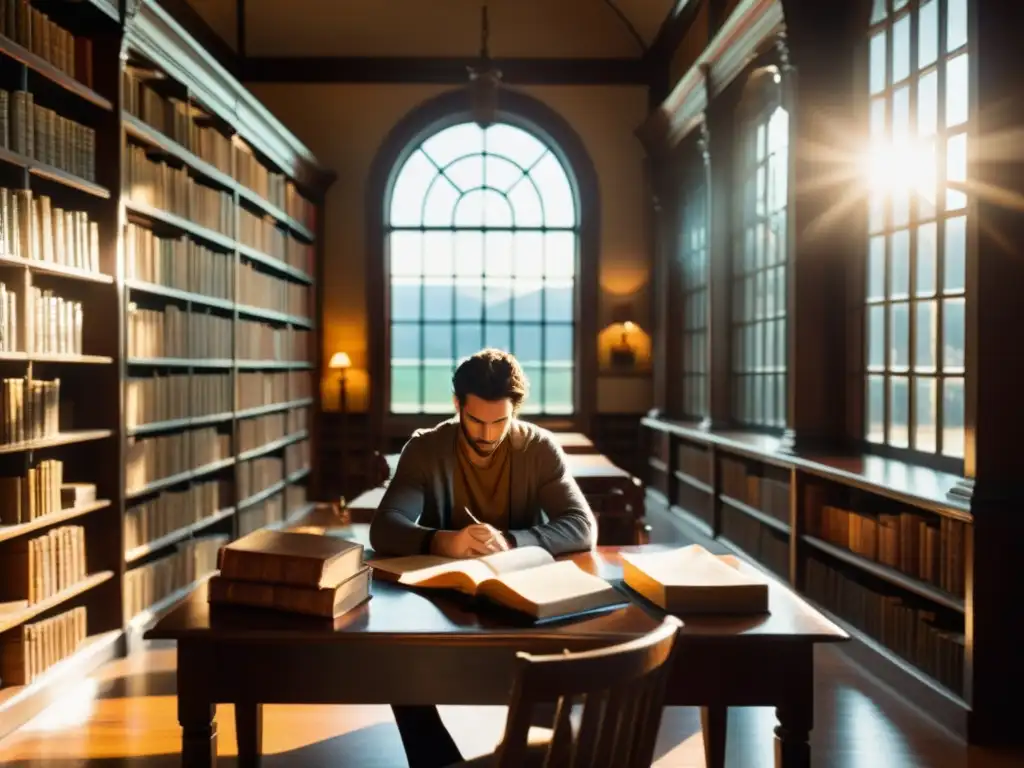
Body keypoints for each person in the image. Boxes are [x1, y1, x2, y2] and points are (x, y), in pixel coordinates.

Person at [369, 348, 597, 768]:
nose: (488, 435)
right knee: (394, 661)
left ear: (515, 411)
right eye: (476, 421)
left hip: (523, 600)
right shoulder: (425, 448)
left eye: (500, 422)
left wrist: (511, 541)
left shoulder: (538, 447)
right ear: (457, 405)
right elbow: (384, 528)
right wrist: (444, 542)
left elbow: (582, 525)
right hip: (441, 601)